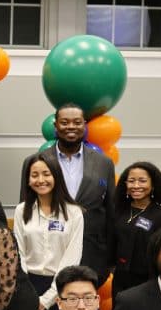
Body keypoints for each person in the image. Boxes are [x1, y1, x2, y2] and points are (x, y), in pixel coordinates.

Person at [20, 103, 115, 283]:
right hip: (46, 256)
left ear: (84, 125)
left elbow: (111, 212)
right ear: (55, 126)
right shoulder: (35, 162)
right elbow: (26, 211)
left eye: (77, 122)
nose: (71, 127)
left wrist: (109, 260)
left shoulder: (104, 163)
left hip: (91, 253)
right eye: (64, 122)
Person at [14, 154, 84, 310]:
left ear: (56, 176)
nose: (40, 180)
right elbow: (19, 254)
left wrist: (45, 301)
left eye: (46, 174)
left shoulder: (73, 212)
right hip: (27, 286)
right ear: (28, 180)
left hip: (62, 287)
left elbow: (71, 258)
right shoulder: (21, 210)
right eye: (34, 175)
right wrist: (31, 299)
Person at [111, 161, 161, 299]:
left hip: (148, 283)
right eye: (131, 181)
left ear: (153, 185)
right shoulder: (118, 211)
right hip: (120, 281)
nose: (136, 186)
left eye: (142, 181)